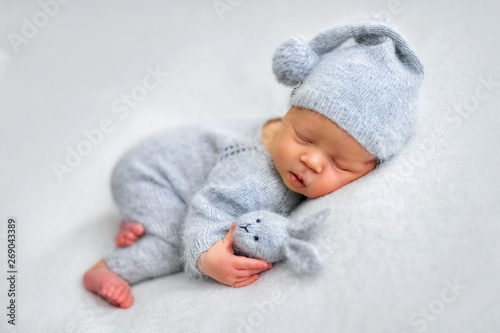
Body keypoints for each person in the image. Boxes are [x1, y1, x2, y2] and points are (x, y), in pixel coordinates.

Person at [83, 17, 424, 309]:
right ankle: (109, 269)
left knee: (165, 218)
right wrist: (206, 254)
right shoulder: (257, 174)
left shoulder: (297, 147)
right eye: (304, 138)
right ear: (288, 114)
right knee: (173, 241)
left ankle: (140, 219)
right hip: (150, 174)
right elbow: (209, 206)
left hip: (168, 171)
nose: (312, 161)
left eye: (339, 163)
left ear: (371, 167)